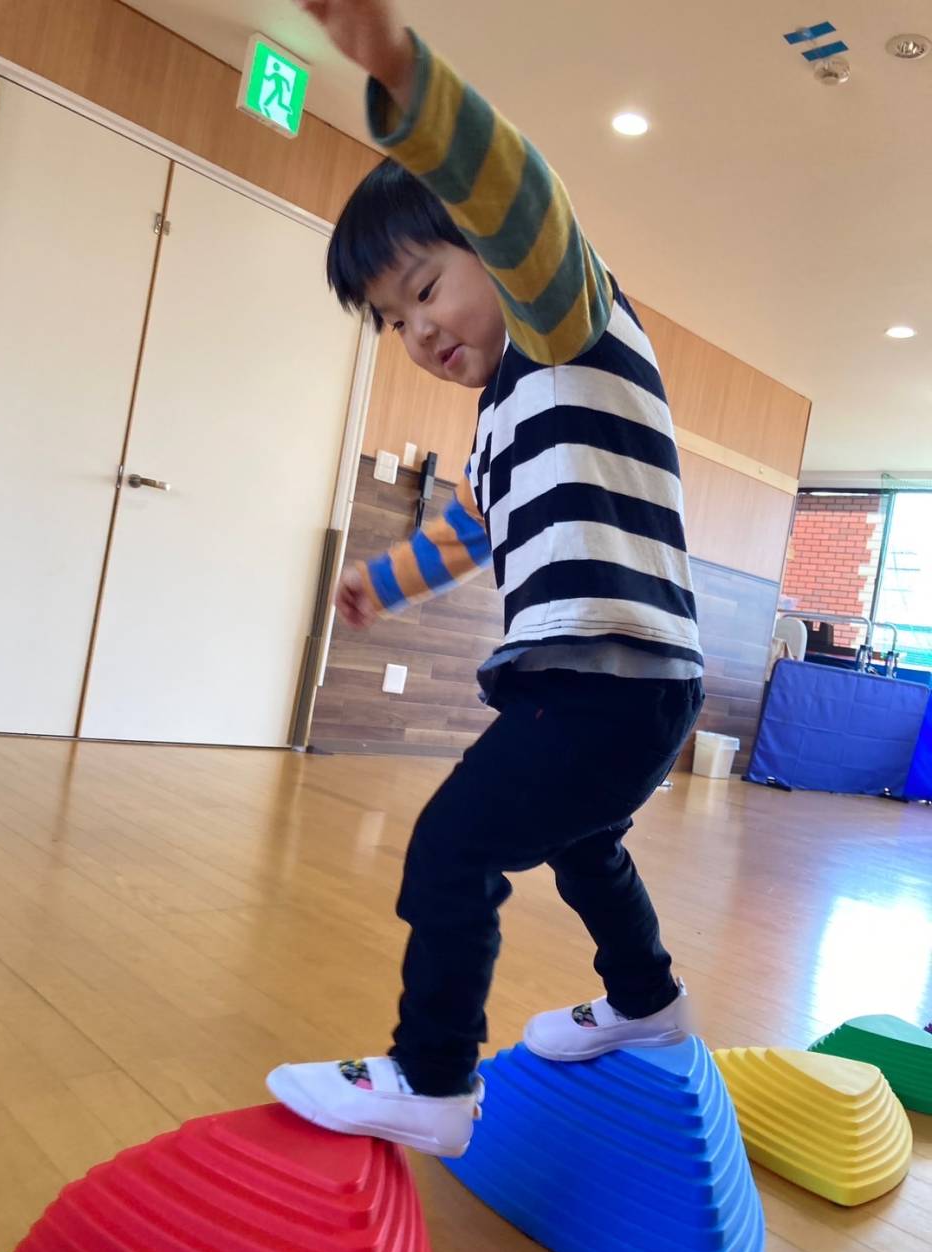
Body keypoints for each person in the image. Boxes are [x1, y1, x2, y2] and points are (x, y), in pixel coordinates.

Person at [267, 0, 705, 1159]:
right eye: (391, 320)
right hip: (634, 685)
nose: (416, 331)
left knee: (452, 846)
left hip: (602, 680)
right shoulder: (514, 408)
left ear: (497, 249)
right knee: (584, 841)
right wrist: (386, 578)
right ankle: (649, 998)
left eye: (424, 288)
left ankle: (431, 1076)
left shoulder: (566, 315)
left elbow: (520, 192)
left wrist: (403, 77)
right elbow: (474, 526)